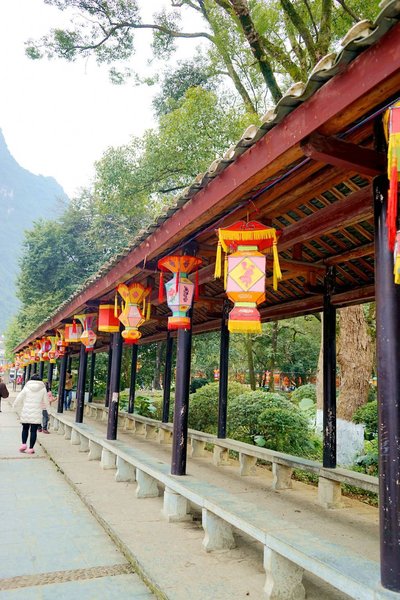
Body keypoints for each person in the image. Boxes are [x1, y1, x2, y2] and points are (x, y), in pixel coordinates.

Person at [13, 374, 50, 454]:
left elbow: (19, 397)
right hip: (36, 412)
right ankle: (31, 448)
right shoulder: (43, 389)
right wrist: (49, 412)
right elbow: (46, 401)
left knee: (25, 429)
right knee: (33, 431)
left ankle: (23, 444)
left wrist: (14, 405)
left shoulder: (26, 387)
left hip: (26, 411)